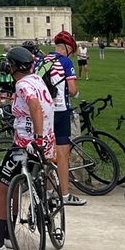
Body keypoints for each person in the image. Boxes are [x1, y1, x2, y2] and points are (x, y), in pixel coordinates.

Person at [0, 46, 54, 250]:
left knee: (0, 186)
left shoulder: (22, 84)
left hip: (26, 144)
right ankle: (8, 234)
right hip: (45, 143)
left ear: (13, 67)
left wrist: (36, 137)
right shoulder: (37, 80)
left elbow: (34, 105)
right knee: (14, 185)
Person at [46, 31, 86, 206]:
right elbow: (72, 89)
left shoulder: (43, 60)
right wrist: (76, 94)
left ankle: (48, 192)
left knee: (47, 153)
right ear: (68, 48)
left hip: (45, 111)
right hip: (60, 111)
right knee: (63, 154)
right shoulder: (65, 62)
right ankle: (64, 194)